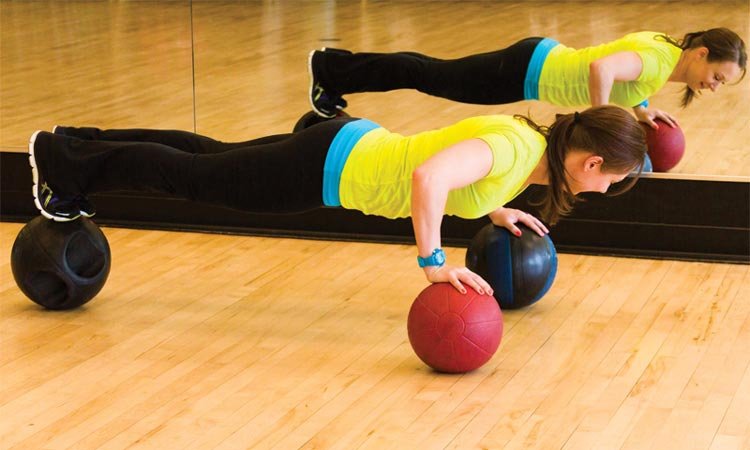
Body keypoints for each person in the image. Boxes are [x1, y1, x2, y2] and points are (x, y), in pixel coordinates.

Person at [29, 105, 646, 295]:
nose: (605, 188)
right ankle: (63, 164)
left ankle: (78, 144)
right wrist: (433, 265)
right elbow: (430, 177)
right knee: (193, 178)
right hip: (329, 167)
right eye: (611, 179)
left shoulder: (527, 147)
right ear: (592, 162)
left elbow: (456, 166)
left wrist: (492, 209)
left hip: (344, 147)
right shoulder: (515, 155)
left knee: (209, 156)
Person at [308, 28, 747, 128]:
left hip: (533, 62)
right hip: (526, 71)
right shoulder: (657, 61)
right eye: (717, 76)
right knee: (428, 74)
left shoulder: (666, 52)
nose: (714, 85)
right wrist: (599, 121)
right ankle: (330, 68)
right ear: (702, 53)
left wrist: (642, 109)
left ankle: (334, 69)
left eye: (722, 84)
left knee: (430, 71)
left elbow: (622, 72)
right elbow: (602, 68)